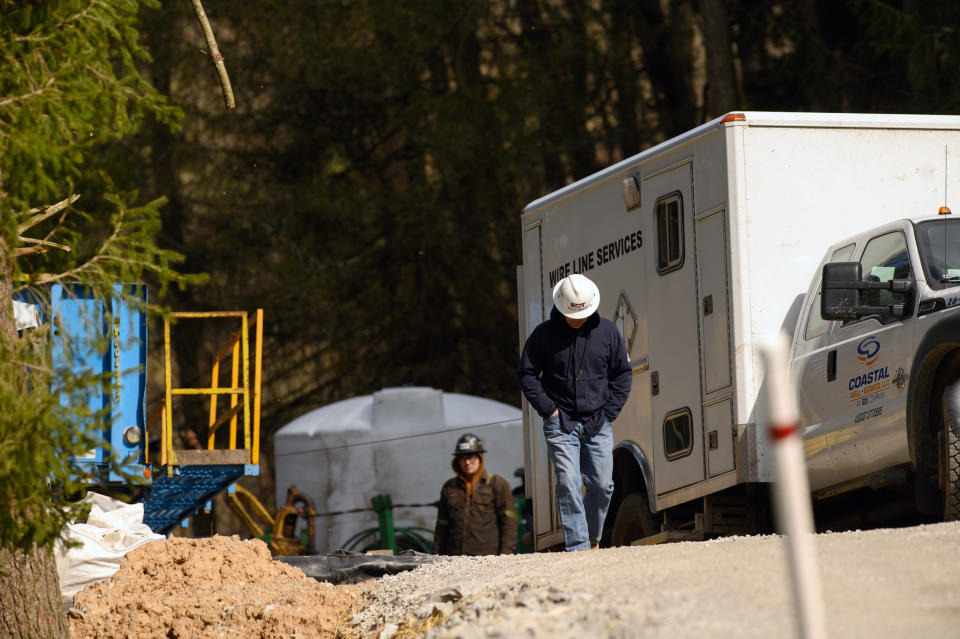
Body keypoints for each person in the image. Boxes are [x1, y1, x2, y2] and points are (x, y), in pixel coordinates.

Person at [517, 273, 632, 551]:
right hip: (561, 422)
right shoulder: (543, 335)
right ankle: (578, 547)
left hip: (598, 421)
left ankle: (592, 538)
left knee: (603, 486)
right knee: (568, 482)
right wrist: (550, 411)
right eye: (572, 314)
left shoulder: (607, 333)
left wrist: (608, 414)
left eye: (581, 314)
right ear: (561, 307)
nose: (577, 319)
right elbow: (527, 373)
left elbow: (622, 375)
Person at [432, 433, 517, 556]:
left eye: (471, 457)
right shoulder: (449, 487)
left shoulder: (497, 484)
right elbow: (441, 527)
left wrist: (506, 554)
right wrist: (436, 556)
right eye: (462, 458)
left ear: (480, 458)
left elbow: (508, 523)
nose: (467, 462)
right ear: (457, 461)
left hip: (488, 558)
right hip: (454, 559)